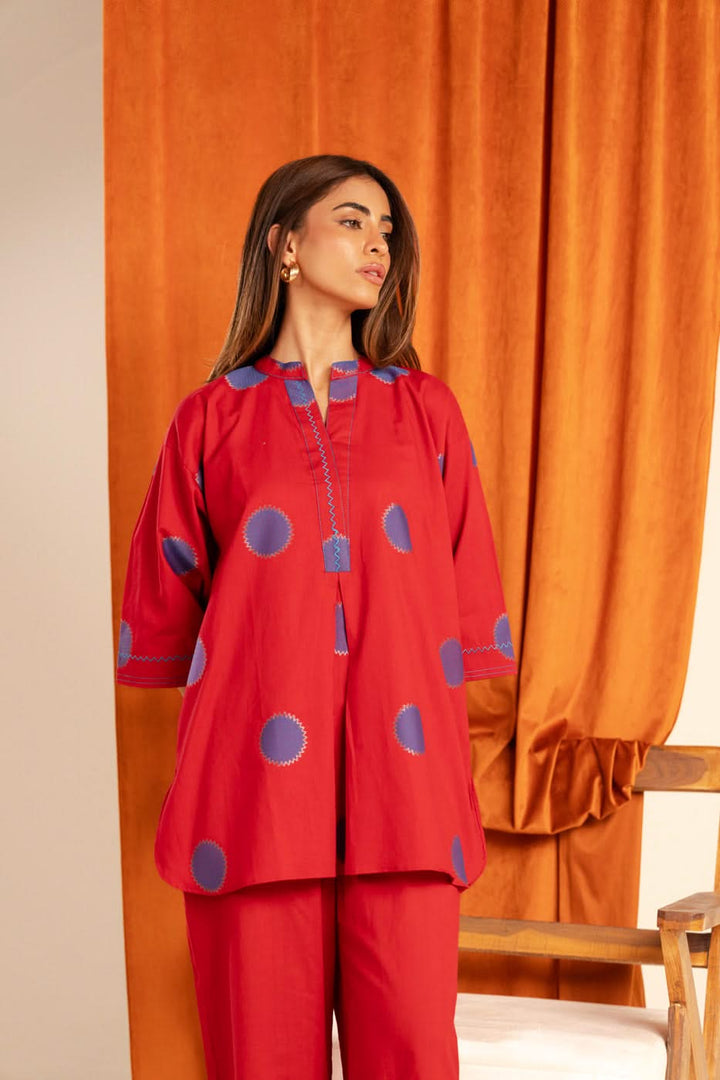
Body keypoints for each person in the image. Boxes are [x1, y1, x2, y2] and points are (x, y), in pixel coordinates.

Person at [116, 153, 517, 1079]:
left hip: (407, 795)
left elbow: (465, 593)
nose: (378, 244)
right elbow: (166, 610)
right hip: (251, 799)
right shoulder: (209, 421)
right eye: (351, 220)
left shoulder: (426, 411)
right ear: (284, 243)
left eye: (388, 231)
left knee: (412, 1055)